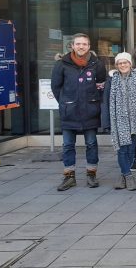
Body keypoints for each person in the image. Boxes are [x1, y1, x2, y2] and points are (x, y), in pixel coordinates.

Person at [51, 33, 107, 191]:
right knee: (68, 145)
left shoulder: (97, 64)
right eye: (78, 44)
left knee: (91, 143)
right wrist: (65, 103)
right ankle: (69, 177)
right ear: (72, 46)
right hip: (69, 112)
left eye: (84, 44)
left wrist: (96, 102)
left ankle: (91, 175)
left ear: (89, 46)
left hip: (90, 111)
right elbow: (56, 87)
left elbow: (102, 85)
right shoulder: (62, 64)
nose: (81, 46)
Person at [101, 52, 136, 191]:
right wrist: (105, 122)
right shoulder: (112, 80)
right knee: (122, 149)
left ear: (130, 64)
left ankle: (123, 176)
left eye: (125, 62)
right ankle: (128, 176)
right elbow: (105, 102)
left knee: (131, 149)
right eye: (120, 63)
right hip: (119, 121)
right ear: (116, 65)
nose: (123, 65)